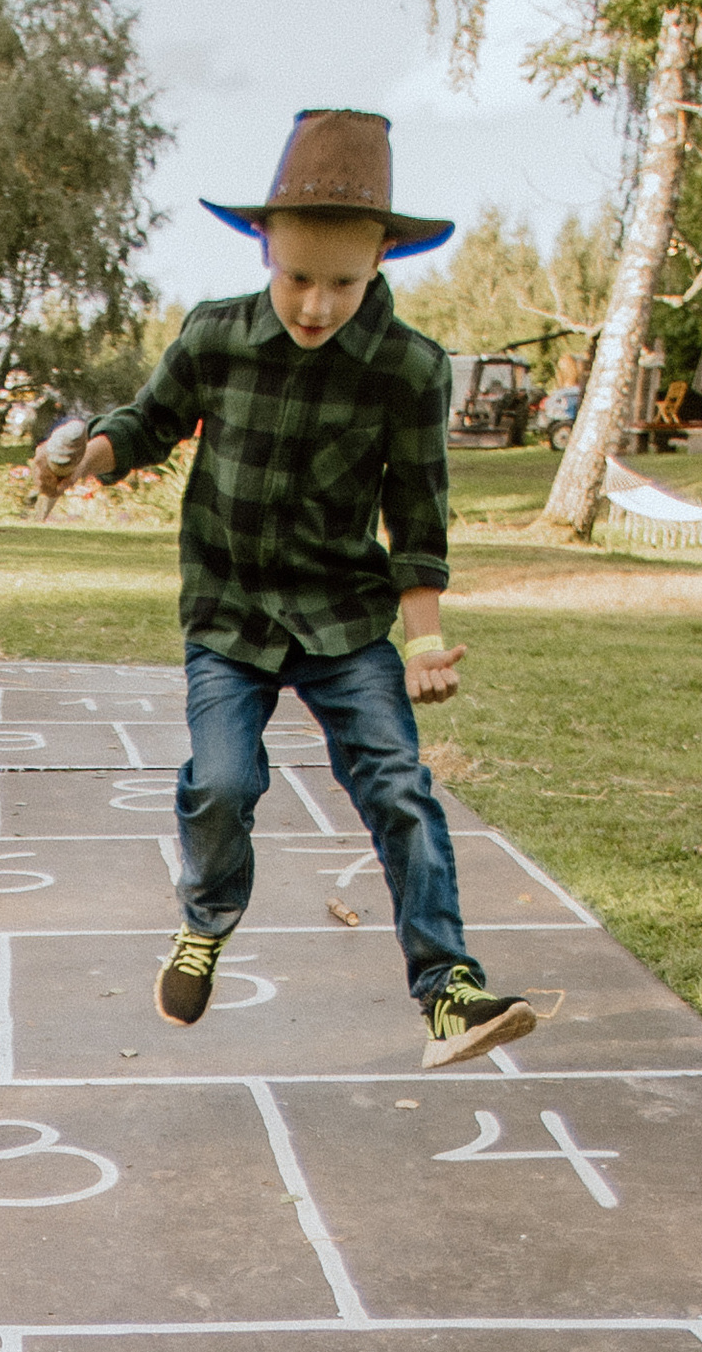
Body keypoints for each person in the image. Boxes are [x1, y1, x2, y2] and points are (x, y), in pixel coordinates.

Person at [47, 108, 534, 1073]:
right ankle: (205, 921)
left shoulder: (409, 369)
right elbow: (146, 424)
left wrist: (424, 641)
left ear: (382, 260)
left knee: (399, 787)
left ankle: (448, 991)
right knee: (222, 783)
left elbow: (418, 517)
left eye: (343, 283)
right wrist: (83, 459)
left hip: (344, 619)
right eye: (298, 277)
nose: (316, 304)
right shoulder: (216, 335)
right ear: (265, 245)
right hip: (228, 612)